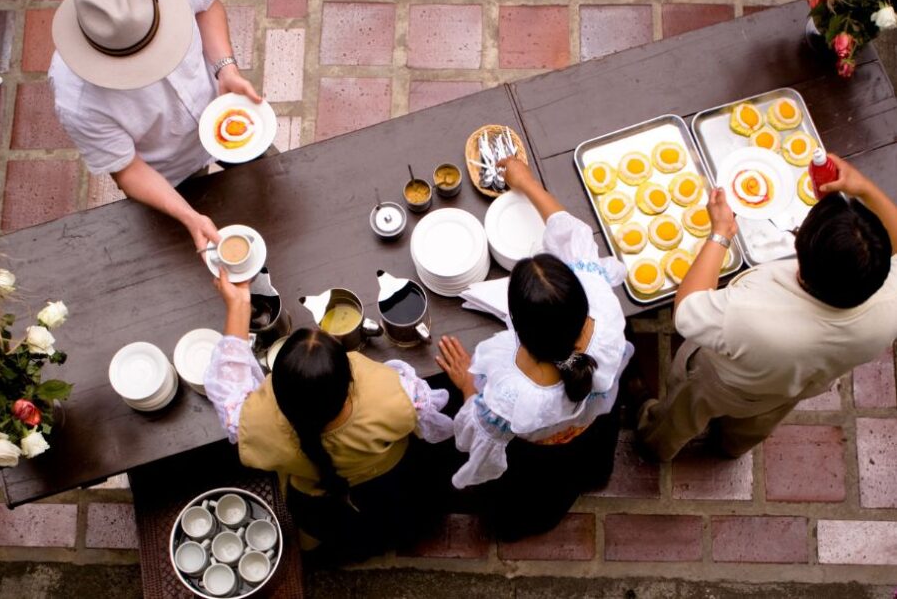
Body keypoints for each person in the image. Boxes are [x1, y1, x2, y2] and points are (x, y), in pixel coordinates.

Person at [637, 154, 897, 462]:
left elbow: (687, 309)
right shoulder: (890, 301)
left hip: (722, 383)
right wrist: (863, 187)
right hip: (794, 385)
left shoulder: (751, 314)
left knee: (683, 413)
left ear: (799, 255)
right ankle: (732, 447)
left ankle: (656, 444)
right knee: (760, 419)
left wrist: (720, 234)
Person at [436, 157, 634, 541]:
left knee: (530, 497)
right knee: (588, 462)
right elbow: (572, 235)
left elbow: (477, 433)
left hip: (539, 458)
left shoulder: (511, 393)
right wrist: (527, 182)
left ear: (517, 328)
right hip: (592, 425)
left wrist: (466, 384)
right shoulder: (601, 303)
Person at [203, 268, 455, 562]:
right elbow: (433, 423)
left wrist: (238, 307)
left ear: (275, 391)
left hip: (318, 503)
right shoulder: (396, 395)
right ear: (349, 382)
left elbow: (227, 385)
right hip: (392, 482)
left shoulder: (255, 424)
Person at [49, 0, 263, 251]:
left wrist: (226, 69)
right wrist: (189, 217)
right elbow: (127, 168)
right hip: (171, 174)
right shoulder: (76, 99)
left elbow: (207, 7)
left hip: (226, 110)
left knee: (272, 182)